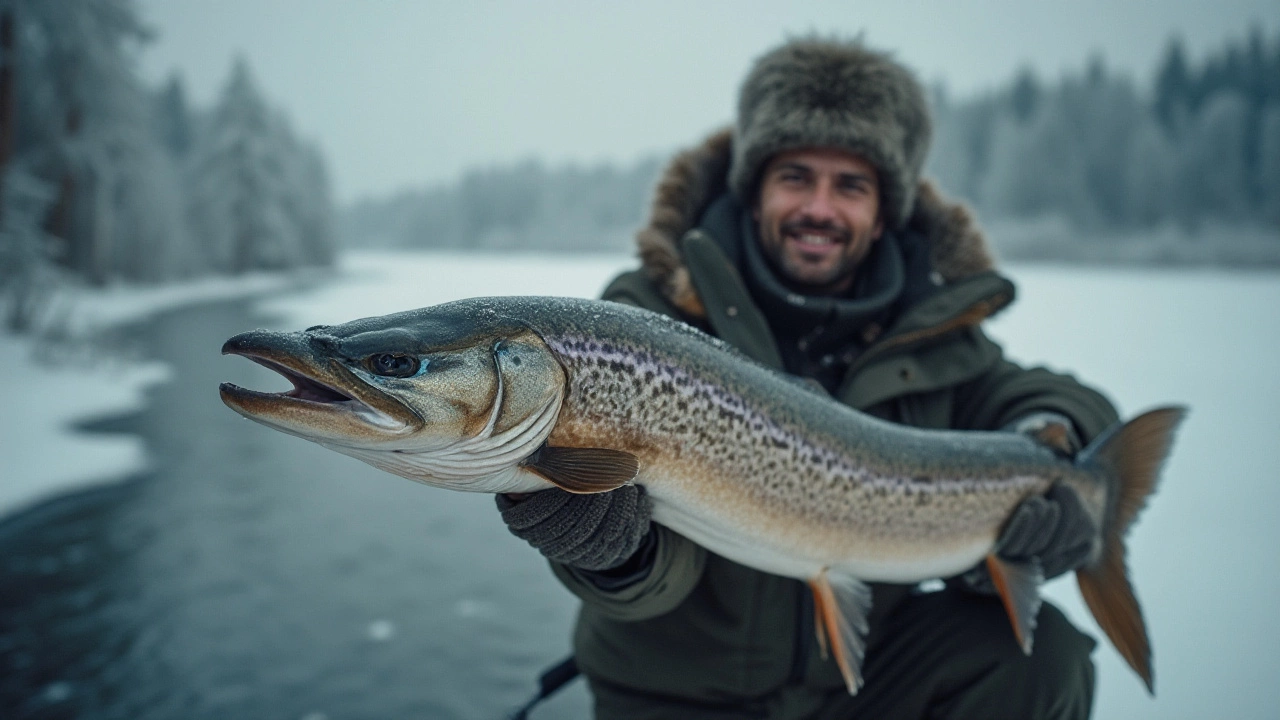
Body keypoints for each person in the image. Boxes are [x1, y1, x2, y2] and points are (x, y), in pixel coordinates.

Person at [497, 36, 1119, 720]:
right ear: (756, 190)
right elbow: (651, 585)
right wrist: (613, 554)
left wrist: (1052, 437)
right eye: (796, 176)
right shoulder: (648, 325)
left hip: (868, 685)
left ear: (884, 213)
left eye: (850, 185)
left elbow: (1041, 394)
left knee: (1039, 659)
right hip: (675, 694)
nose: (819, 208)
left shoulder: (934, 328)